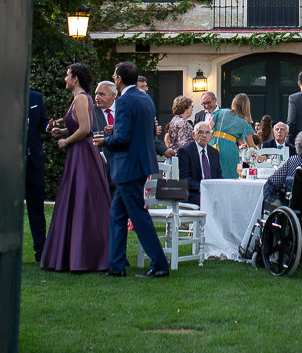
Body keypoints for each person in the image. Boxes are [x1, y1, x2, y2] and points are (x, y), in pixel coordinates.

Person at [95, 60, 170, 278]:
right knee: (117, 215)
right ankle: (116, 266)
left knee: (138, 215)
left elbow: (123, 138)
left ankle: (159, 264)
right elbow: (139, 131)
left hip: (127, 166)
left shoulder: (125, 100)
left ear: (118, 78)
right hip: (139, 164)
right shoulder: (144, 97)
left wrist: (104, 140)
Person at [40, 63, 112, 272]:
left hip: (82, 154)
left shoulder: (81, 98)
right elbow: (79, 126)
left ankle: (84, 256)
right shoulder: (79, 99)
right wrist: (62, 131)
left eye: (67, 75)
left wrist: (66, 141)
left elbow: (86, 129)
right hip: (79, 154)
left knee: (82, 200)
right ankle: (76, 253)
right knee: (76, 200)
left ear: (76, 79)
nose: (65, 79)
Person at [25, 87, 51, 263]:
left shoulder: (36, 97)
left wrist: (50, 127)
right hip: (7, 165)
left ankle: (41, 252)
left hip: (33, 162)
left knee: (37, 210)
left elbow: (43, 124)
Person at [176, 120, 222, 205]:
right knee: (209, 201)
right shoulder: (185, 151)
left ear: (211, 136)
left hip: (213, 191)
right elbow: (184, 178)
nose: (204, 135)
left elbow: (218, 176)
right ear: (193, 134)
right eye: (200, 132)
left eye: (207, 133)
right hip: (194, 192)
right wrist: (204, 188)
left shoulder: (214, 152)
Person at [211, 93, 256, 177]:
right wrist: (260, 156)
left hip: (213, 144)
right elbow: (251, 146)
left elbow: (208, 128)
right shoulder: (244, 123)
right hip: (229, 148)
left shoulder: (221, 112)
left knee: (211, 172)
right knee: (229, 174)